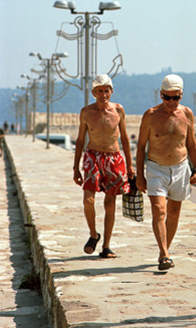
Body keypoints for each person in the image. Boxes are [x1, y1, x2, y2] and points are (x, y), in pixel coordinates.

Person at [136, 74, 196, 271]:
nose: (171, 102)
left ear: (181, 95)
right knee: (159, 210)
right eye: (167, 97)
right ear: (161, 95)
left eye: (175, 98)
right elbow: (140, 146)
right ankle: (165, 254)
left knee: (173, 213)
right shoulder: (150, 115)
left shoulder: (187, 114)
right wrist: (139, 175)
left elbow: (191, 142)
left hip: (181, 167)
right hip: (156, 168)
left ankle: (164, 250)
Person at [73, 74, 133, 258]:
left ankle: (106, 246)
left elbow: (124, 138)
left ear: (111, 91)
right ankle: (93, 234)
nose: (103, 94)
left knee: (109, 203)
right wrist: (76, 168)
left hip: (114, 159)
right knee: (88, 200)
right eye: (99, 91)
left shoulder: (119, 110)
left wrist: (130, 166)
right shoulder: (86, 112)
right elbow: (81, 140)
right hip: (92, 157)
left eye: (106, 91)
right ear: (93, 93)